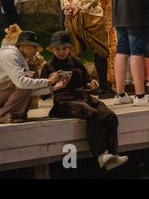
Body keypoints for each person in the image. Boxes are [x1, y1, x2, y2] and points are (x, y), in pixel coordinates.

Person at [40, 31, 128, 170]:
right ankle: (100, 155)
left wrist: (92, 85)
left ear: (69, 48)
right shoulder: (48, 67)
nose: (61, 52)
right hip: (64, 101)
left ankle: (113, 155)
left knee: (109, 115)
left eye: (64, 48)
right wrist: (54, 87)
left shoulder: (76, 62)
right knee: (91, 113)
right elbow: (42, 94)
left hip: (83, 97)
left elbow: (86, 83)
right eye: (57, 49)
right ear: (52, 49)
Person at [0, 31, 63, 123]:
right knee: (23, 82)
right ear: (22, 45)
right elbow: (22, 83)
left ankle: (7, 114)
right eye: (34, 47)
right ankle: (2, 116)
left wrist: (52, 88)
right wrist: (48, 81)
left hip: (1, 92)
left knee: (26, 82)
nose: (36, 50)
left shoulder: (21, 58)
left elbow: (27, 89)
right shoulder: (9, 55)